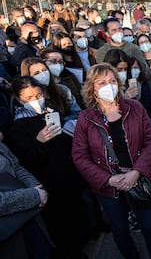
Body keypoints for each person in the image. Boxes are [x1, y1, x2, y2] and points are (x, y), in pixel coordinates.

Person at [72, 63, 151, 259]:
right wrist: (108, 180)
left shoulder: (135, 108)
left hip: (138, 180)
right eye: (102, 82)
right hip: (108, 187)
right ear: (92, 88)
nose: (109, 85)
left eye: (112, 81)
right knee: (120, 229)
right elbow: (80, 156)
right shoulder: (85, 118)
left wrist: (137, 172)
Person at [6, 76, 90, 258]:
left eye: (38, 95)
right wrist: (39, 141)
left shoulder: (52, 114)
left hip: (70, 177)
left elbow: (66, 146)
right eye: (29, 98)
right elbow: (25, 162)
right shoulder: (17, 129)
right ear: (19, 100)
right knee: (61, 226)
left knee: (78, 217)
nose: (36, 100)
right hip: (50, 186)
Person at [0, 139, 51, 259]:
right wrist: (35, 195)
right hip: (7, 235)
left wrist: (36, 186)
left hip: (29, 217)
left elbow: (17, 167)